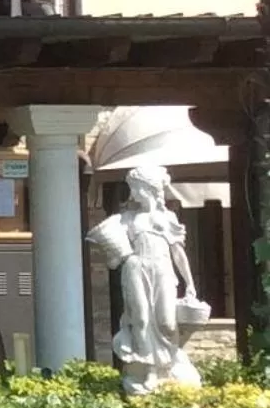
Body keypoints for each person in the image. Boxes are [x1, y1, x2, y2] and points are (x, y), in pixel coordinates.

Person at [87, 163, 207, 394]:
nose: (133, 194)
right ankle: (149, 371)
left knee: (167, 322)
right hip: (136, 268)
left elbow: (178, 253)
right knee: (140, 320)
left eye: (137, 188)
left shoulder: (167, 217)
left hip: (162, 270)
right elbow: (108, 248)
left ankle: (169, 365)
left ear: (150, 189)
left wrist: (190, 283)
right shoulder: (127, 218)